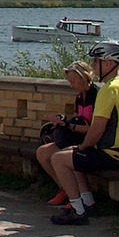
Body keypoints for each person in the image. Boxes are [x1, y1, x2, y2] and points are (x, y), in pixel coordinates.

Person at [49, 41, 119, 225]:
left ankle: (78, 210)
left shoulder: (109, 89)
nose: (94, 67)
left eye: (96, 61)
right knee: (70, 156)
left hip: (113, 153)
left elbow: (97, 129)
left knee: (59, 159)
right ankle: (89, 204)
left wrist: (82, 147)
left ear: (108, 63)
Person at [36, 59, 98, 206]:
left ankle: (79, 200)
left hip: (89, 141)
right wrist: (63, 122)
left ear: (84, 78)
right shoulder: (79, 97)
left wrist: (68, 125)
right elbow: (78, 119)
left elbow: (94, 128)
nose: (72, 85)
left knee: (68, 159)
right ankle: (65, 189)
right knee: (43, 153)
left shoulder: (96, 96)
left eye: (74, 82)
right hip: (75, 138)